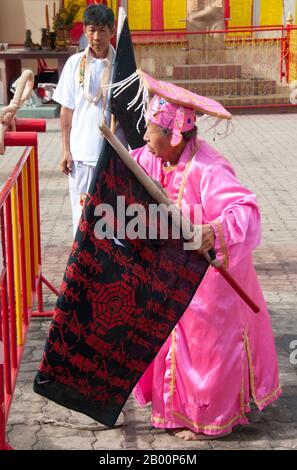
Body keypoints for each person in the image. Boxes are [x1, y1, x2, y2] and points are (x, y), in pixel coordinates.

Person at [127, 74, 281, 440]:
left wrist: (213, 231)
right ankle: (175, 410)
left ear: (175, 136)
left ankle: (207, 419)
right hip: (175, 275)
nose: (146, 139)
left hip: (213, 280)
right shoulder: (156, 157)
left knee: (206, 347)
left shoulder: (208, 167)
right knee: (170, 335)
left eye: (152, 132)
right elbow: (131, 164)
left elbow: (247, 210)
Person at [53, 3, 115, 237]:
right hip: (80, 156)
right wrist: (65, 150)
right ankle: (81, 267)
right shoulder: (74, 63)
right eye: (91, 30)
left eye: (102, 30)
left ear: (112, 31)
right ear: (84, 31)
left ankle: (107, 268)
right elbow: (66, 111)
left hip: (110, 157)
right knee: (81, 216)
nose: (96, 36)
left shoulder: (122, 65)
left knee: (109, 219)